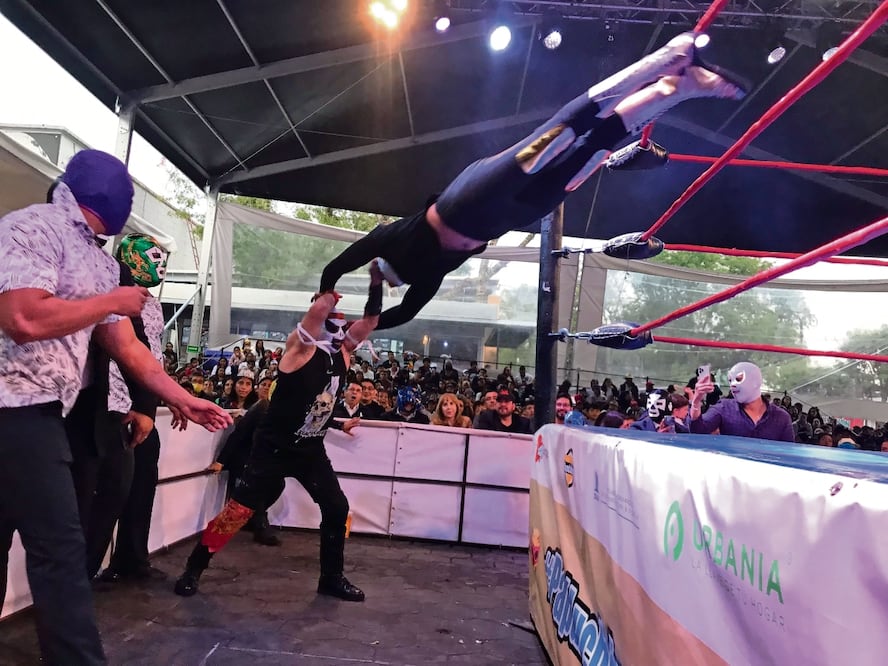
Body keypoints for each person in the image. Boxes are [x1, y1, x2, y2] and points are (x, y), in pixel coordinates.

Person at [318, 33, 745, 328]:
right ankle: (679, 88)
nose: (386, 279)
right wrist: (354, 321)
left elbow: (346, 258)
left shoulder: (389, 241)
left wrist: (326, 292)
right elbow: (399, 315)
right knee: (592, 151)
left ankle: (666, 59)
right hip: (511, 214)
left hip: (470, 198)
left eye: (381, 277)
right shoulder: (424, 277)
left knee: (560, 135)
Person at [0, 150, 231, 665]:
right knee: (61, 550)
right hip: (14, 406)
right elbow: (23, 318)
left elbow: (131, 352)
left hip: (40, 414)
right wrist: (112, 301)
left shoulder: (102, 263)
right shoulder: (30, 227)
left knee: (46, 546)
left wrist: (183, 398)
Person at [173, 264, 385, 601]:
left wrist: (376, 284)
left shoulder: (343, 354)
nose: (338, 326)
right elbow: (315, 315)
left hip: (310, 450)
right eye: (331, 316)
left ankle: (331, 577)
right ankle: (193, 568)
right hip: (272, 448)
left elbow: (371, 321)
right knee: (237, 511)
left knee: (336, 507)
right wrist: (327, 292)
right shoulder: (299, 350)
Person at [97, 234, 172, 583]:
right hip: (116, 404)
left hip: (142, 402)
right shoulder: (106, 292)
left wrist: (165, 398)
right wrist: (133, 403)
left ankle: (132, 558)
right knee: (110, 491)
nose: (160, 266)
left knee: (143, 484)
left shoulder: (152, 304)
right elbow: (121, 355)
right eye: (154, 258)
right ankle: (88, 570)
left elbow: (152, 357)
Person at [690, 362, 793, 442]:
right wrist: (696, 401)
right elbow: (698, 429)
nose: (732, 385)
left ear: (756, 382)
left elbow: (788, 453)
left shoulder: (781, 417)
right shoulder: (724, 408)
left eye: (739, 379)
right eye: (730, 380)